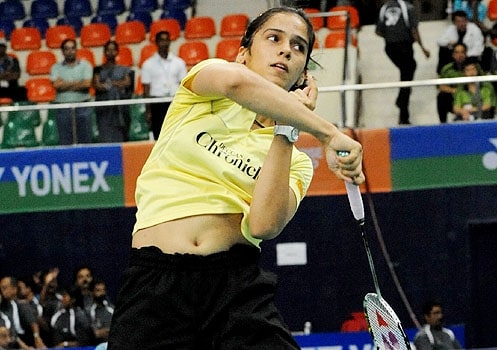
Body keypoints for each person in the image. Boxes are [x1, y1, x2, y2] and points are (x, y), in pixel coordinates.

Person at [107, 6, 364, 350]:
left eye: (299, 47)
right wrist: (327, 133)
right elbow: (234, 83)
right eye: (274, 38)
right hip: (155, 285)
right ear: (243, 54)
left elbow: (263, 225)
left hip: (234, 290)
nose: (287, 50)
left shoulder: (298, 162)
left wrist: (288, 127)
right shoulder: (204, 87)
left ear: (304, 75)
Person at [376, 0, 430, 125]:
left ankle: (402, 101)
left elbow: (378, 31)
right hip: (404, 46)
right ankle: (403, 113)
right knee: (409, 72)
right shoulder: (408, 8)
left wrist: (391, 36)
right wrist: (423, 48)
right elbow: (414, 31)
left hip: (390, 47)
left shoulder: (384, 8)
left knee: (406, 72)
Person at [141, 30, 187, 140]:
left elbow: (183, 85)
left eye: (167, 40)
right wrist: (148, 111)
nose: (164, 43)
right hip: (157, 102)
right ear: (156, 42)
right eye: (161, 40)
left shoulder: (179, 62)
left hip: (174, 101)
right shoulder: (148, 64)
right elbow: (146, 89)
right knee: (159, 134)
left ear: (170, 42)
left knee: (176, 133)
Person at [50, 38, 94, 145]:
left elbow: (87, 84)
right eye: (67, 49)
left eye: (72, 48)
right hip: (63, 107)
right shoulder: (55, 67)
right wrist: (79, 83)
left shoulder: (86, 65)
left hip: (83, 106)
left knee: (85, 140)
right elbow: (56, 85)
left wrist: (64, 84)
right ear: (62, 52)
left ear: (76, 50)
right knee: (65, 141)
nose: (70, 51)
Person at [93, 40, 133, 143]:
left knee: (121, 137)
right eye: (108, 50)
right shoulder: (98, 69)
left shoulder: (125, 69)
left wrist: (108, 84)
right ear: (104, 52)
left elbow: (127, 83)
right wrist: (117, 83)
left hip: (120, 109)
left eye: (113, 50)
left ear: (117, 52)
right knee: (105, 136)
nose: (111, 52)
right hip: (104, 110)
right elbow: (97, 85)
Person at [0, 276, 46, 349]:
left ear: (14, 289)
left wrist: (37, 337)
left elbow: (32, 322)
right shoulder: (2, 308)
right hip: (10, 342)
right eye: (1, 288)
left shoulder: (21, 305)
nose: (2, 291)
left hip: (24, 339)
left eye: (4, 288)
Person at [436, 10, 484, 74]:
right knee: (443, 50)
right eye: (458, 21)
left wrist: (463, 55)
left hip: (469, 56)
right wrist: (449, 42)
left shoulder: (474, 29)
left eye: (463, 21)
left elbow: (479, 48)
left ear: (467, 21)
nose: (461, 24)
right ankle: (441, 74)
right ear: (454, 22)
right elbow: (439, 41)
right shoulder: (451, 29)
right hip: (454, 57)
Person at [452, 57, 495, 121]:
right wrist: (463, 112)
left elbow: (487, 106)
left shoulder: (485, 88)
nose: (471, 72)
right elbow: (456, 108)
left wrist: (470, 110)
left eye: (473, 69)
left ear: (477, 71)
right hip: (465, 116)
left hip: (482, 115)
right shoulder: (460, 90)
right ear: (464, 73)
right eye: (468, 70)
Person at [437, 43, 467, 123]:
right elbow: (441, 86)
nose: (460, 55)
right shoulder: (447, 69)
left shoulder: (473, 66)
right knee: (441, 96)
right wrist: (455, 91)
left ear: (466, 54)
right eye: (457, 52)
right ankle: (443, 125)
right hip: (454, 98)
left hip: (470, 97)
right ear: (453, 55)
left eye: (462, 52)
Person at [87, 278, 114, 344]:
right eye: (98, 290)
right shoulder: (88, 310)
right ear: (92, 292)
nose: (102, 293)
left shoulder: (111, 308)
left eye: (103, 290)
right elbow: (95, 334)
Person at [0, 38, 26, 102]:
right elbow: (12, 74)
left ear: (5, 48)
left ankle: (19, 111)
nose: (0, 49)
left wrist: (2, 76)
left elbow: (17, 75)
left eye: (2, 47)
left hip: (11, 87)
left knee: (22, 91)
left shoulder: (13, 60)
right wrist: (6, 74)